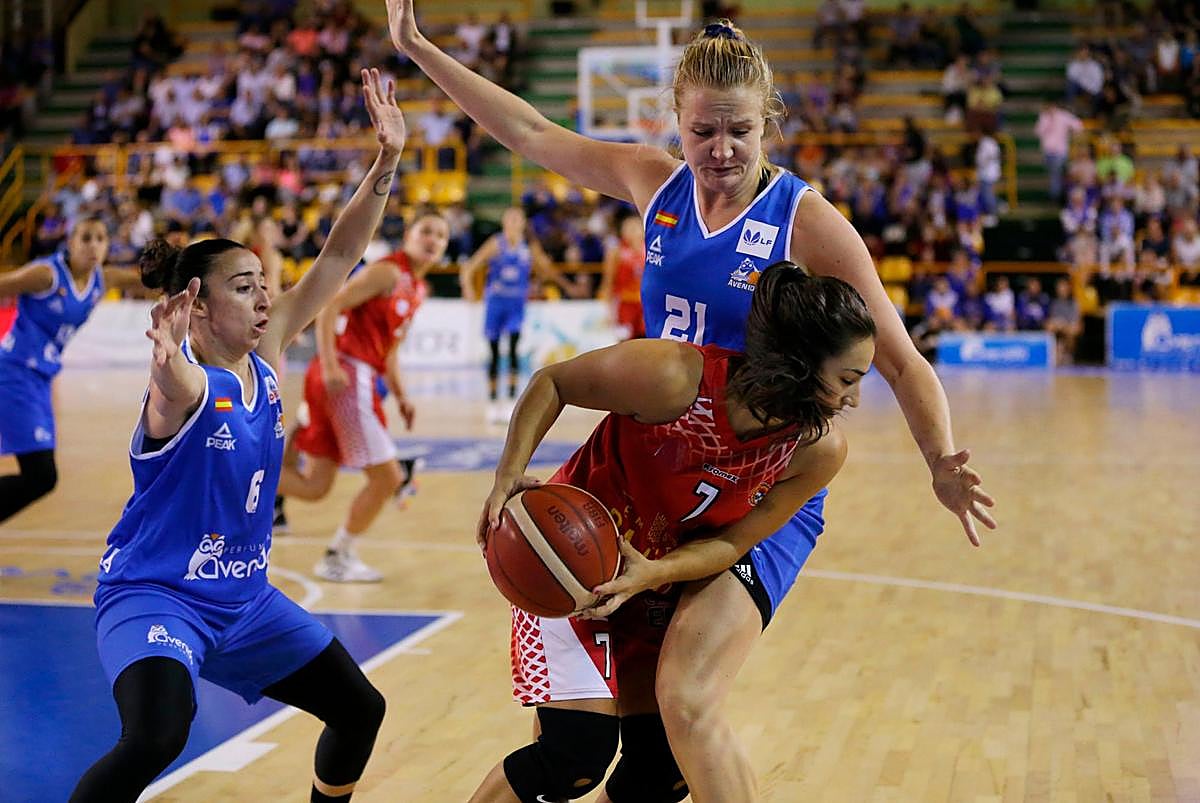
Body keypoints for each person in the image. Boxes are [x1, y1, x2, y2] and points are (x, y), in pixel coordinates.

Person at [386, 4, 995, 798]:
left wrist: (941, 460)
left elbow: (902, 361)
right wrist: (418, 47)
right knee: (599, 746)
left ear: (768, 122)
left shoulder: (806, 220)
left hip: (760, 480)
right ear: (676, 121)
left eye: (740, 130)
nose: (721, 149)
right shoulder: (657, 183)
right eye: (703, 131)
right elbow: (531, 133)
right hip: (657, 470)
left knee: (687, 701)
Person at [69, 68, 405, 803]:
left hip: (246, 602)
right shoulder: (187, 381)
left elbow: (338, 256)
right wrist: (164, 362)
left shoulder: (269, 352)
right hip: (157, 595)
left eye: (262, 282)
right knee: (157, 736)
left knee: (359, 708)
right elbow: (175, 389)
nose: (264, 296)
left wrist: (387, 160)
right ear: (196, 305)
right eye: (243, 286)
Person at [472, 263, 876, 803]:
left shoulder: (816, 452)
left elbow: (732, 545)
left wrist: (654, 573)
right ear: (801, 363)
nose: (854, 399)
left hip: (651, 582)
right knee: (573, 755)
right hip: (565, 559)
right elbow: (555, 381)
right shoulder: (674, 378)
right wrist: (508, 474)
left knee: (660, 770)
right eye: (847, 379)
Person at [274, 209, 450, 582]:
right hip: (346, 374)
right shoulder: (388, 272)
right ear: (408, 234)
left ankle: (233, 474)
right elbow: (330, 306)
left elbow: (390, 353)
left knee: (316, 487)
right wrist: (330, 362)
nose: (433, 240)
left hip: (350, 376)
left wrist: (402, 396)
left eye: (441, 235)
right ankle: (338, 556)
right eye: (426, 231)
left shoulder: (417, 289)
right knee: (388, 478)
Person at [0, 218, 142, 523]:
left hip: (39, 380)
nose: (94, 246)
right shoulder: (46, 275)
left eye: (101, 238)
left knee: (40, 478)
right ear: (71, 242)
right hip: (14, 373)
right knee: (41, 475)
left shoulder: (103, 278)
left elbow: (146, 281)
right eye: (86, 238)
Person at [460, 206, 577, 422]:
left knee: (514, 350)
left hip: (516, 305)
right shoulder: (496, 243)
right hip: (495, 304)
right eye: (510, 218)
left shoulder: (529, 247)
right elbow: (469, 266)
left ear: (523, 223)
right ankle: (493, 401)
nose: (514, 222)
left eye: (517, 219)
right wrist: (467, 286)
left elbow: (547, 270)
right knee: (494, 352)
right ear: (504, 222)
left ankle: (511, 399)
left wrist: (567, 286)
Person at [597, 211, 647, 340]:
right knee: (625, 342)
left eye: (636, 227)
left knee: (647, 342)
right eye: (628, 227)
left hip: (645, 304)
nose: (633, 231)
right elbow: (608, 282)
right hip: (625, 303)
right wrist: (606, 309)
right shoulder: (616, 252)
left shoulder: (651, 250)